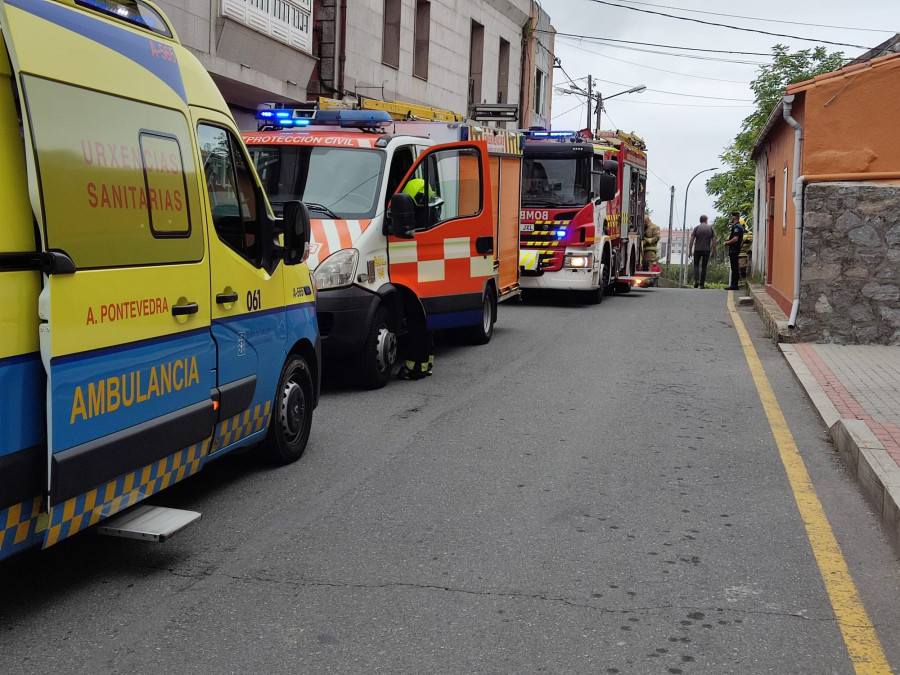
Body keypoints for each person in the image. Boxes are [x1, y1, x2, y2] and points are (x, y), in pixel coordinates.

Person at [689, 214, 716, 289]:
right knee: (704, 267)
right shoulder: (710, 229)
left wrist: (690, 250)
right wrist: (713, 252)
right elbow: (714, 241)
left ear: (700, 221)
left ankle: (696, 280)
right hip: (706, 250)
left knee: (696, 266)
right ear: (706, 220)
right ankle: (702, 284)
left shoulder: (697, 228)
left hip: (697, 249)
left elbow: (691, 240)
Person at [723, 211, 745, 290]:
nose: (730, 218)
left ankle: (734, 285)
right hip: (735, 249)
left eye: (731, 217)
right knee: (734, 267)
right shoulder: (738, 226)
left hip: (734, 249)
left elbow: (736, 238)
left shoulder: (737, 227)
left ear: (734, 217)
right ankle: (734, 284)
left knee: (734, 267)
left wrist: (727, 242)